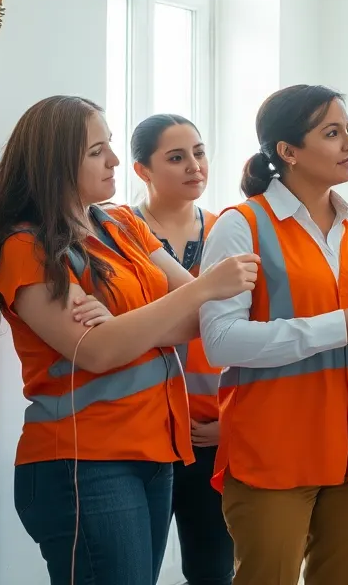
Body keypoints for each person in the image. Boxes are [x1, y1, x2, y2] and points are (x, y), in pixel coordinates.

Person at [0, 95, 258, 585]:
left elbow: (202, 320)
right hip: (84, 462)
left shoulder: (121, 223)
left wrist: (125, 321)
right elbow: (99, 351)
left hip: (154, 452)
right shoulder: (24, 247)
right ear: (54, 162)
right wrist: (205, 287)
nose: (114, 161)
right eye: (96, 151)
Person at [198, 84, 348, 585]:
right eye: (332, 133)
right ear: (288, 152)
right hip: (273, 450)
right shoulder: (241, 225)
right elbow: (221, 341)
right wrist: (340, 326)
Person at [129, 113, 233, 585]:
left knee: (213, 570)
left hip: (213, 432)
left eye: (199, 152)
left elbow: (259, 331)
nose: (194, 165)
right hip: (143, 434)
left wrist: (229, 424)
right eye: (176, 157)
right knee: (134, 570)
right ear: (142, 171)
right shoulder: (116, 234)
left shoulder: (229, 232)